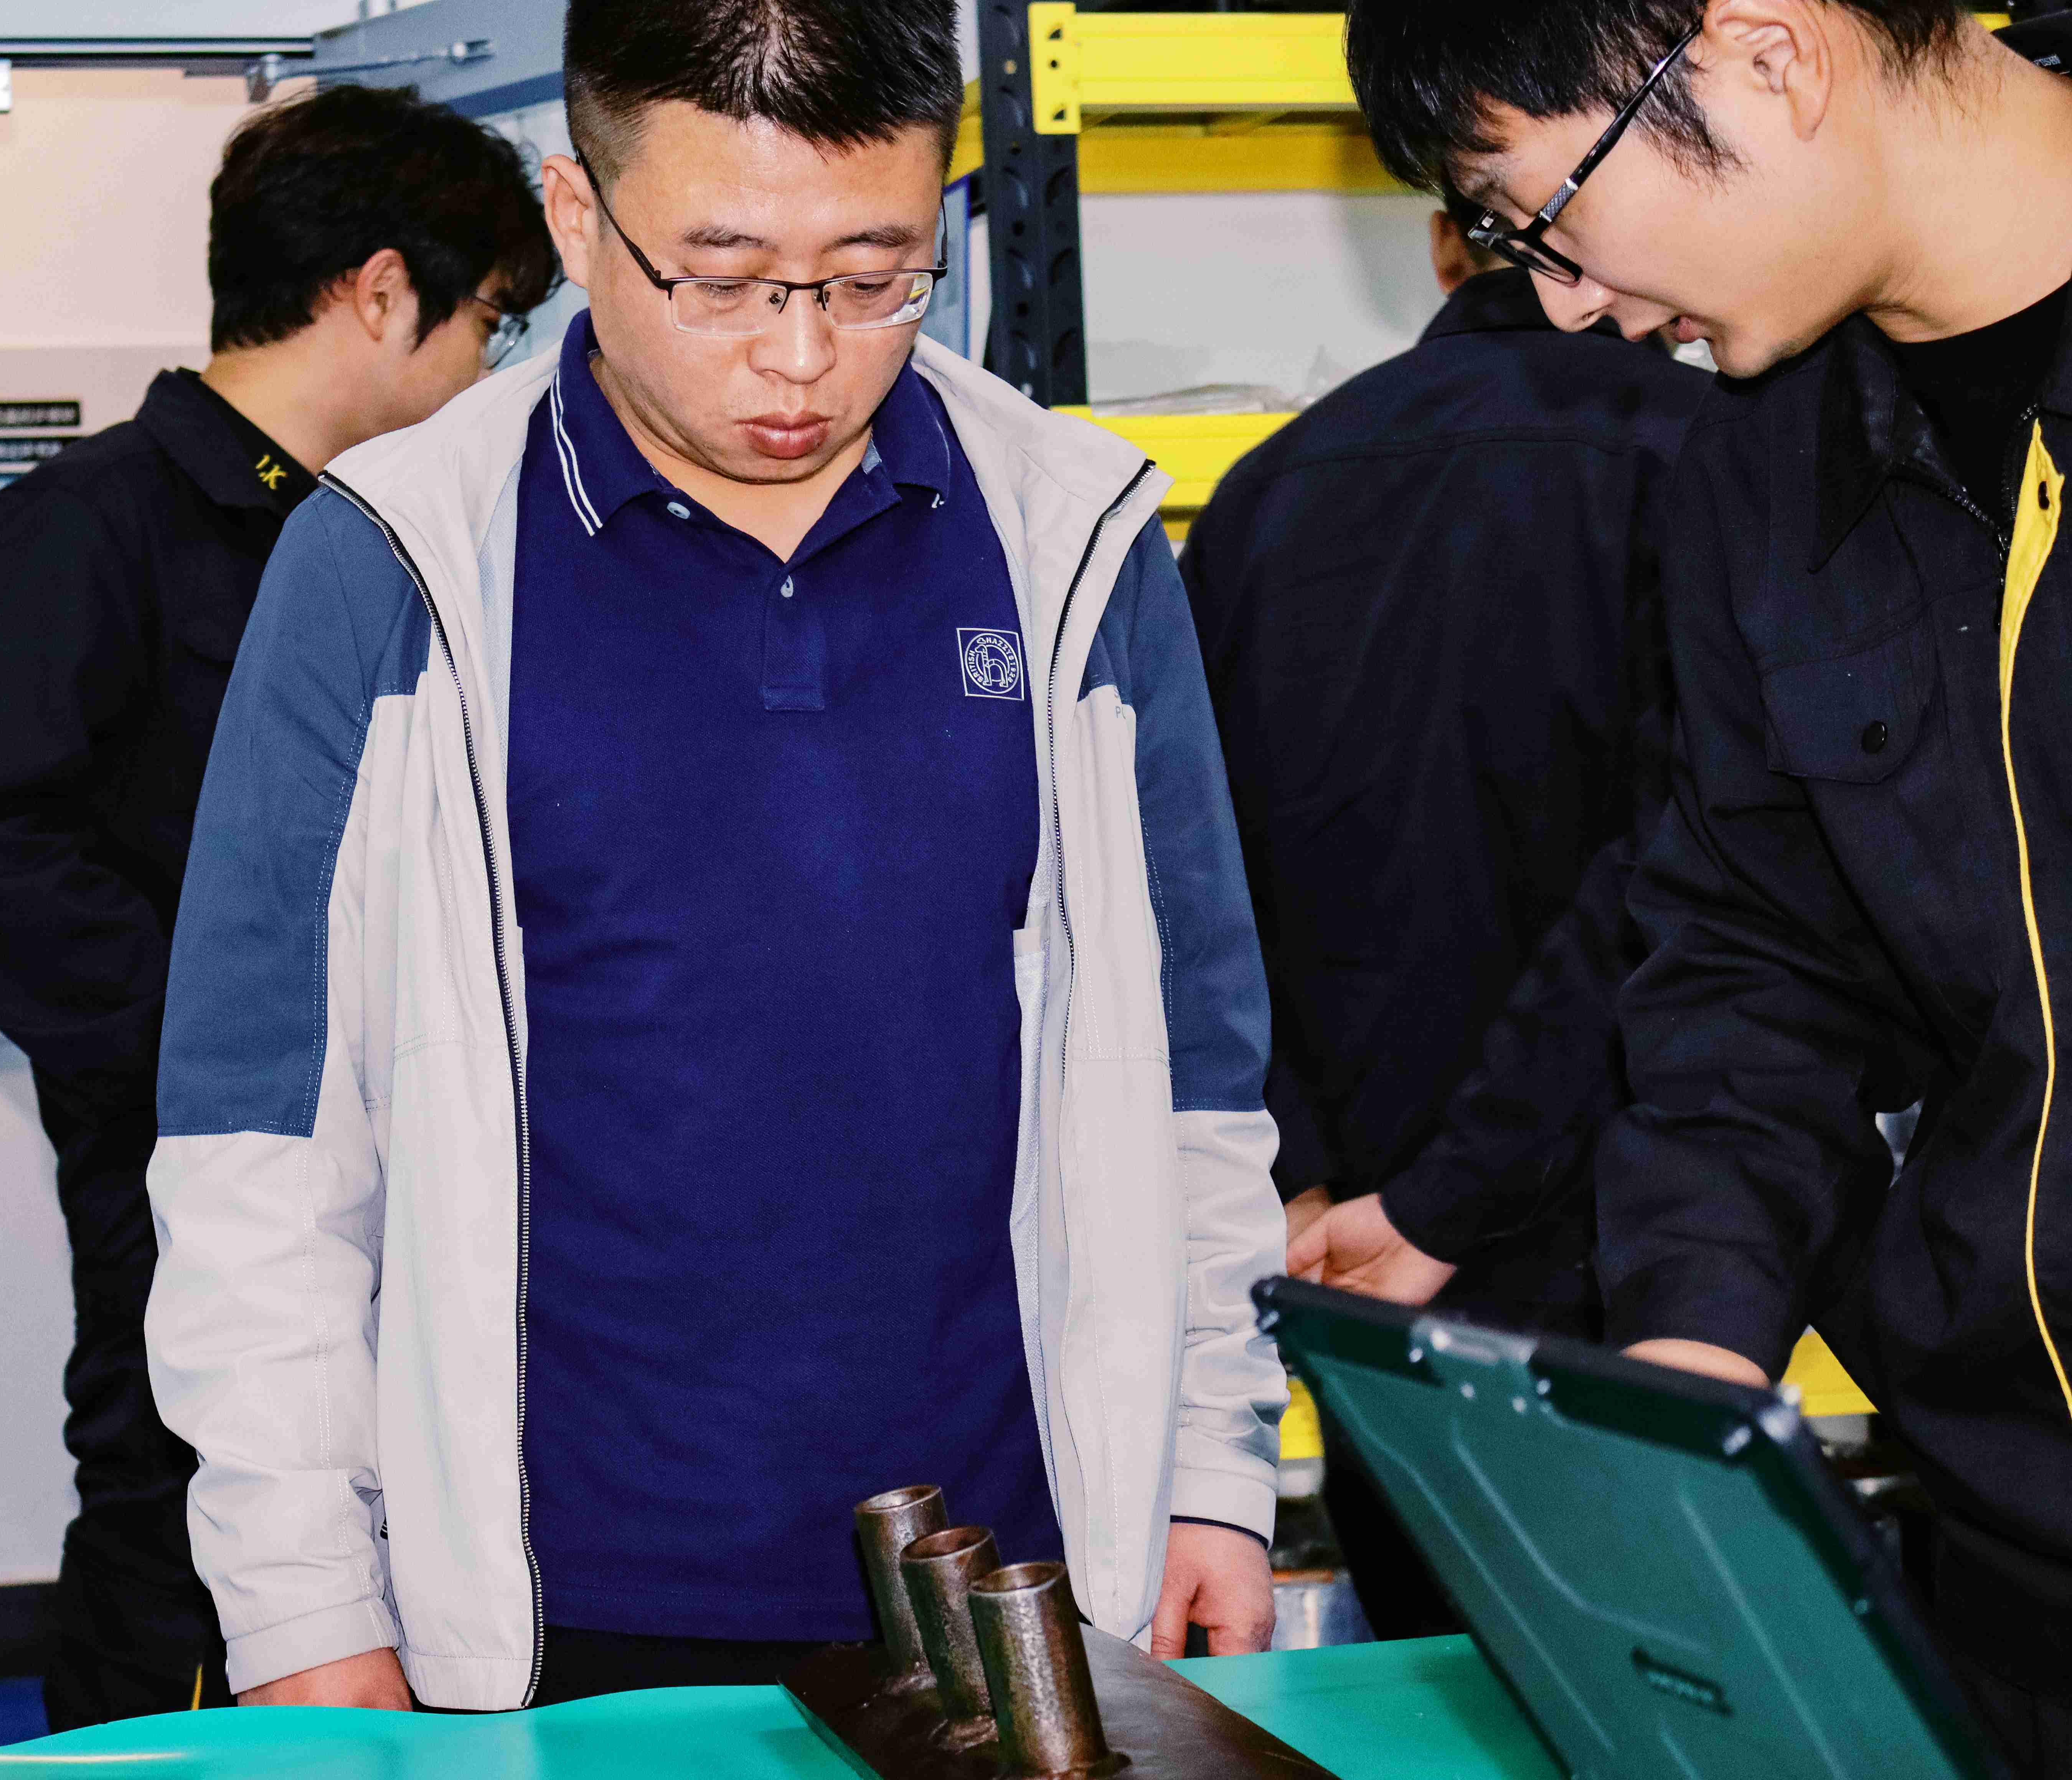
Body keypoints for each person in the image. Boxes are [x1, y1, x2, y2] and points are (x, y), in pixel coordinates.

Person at [144, 0, 1288, 1714]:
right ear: (577, 216)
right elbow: (262, 1135)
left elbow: (1191, 1067)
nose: (803, 355)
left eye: (875, 276)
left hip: (1019, 1579)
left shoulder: (1078, 539)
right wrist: (303, 1599)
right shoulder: (394, 561)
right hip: (554, 1609)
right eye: (724, 277)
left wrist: (1212, 1466)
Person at [1346, 0, 2072, 1766]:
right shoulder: (1761, 463)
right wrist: (1694, 1346)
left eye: (1546, 212)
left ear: (1767, 51)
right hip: (2019, 1580)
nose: (1562, 304)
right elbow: (1751, 957)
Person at [0, 84, 557, 1730]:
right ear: (382, 293)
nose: (493, 368)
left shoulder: (413, 540)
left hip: (432, 1163)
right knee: (193, 1534)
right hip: (192, 1171)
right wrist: (231, 1045)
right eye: (488, 320)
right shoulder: (85, 530)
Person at [1183, 194, 1706, 1638]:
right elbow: (1683, 884)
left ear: (1440, 244)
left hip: (1358, 1260)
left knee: (1431, 1689)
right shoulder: (1708, 453)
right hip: (1630, 1234)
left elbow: (1192, 886)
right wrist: (1451, 1196)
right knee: (1638, 1684)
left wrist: (1302, 1180)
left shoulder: (1268, 491)